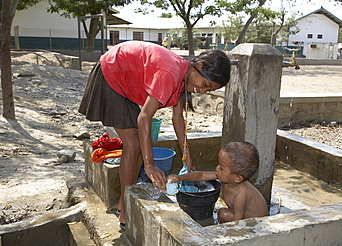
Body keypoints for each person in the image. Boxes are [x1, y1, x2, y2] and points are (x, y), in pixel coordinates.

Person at [78, 40, 231, 229]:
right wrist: (149, 165)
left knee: (142, 147)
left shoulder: (184, 78)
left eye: (209, 90)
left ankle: (123, 202)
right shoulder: (170, 73)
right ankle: (126, 213)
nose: (202, 91)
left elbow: (178, 119)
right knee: (133, 145)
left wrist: (187, 157)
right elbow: (144, 118)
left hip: (121, 79)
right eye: (205, 84)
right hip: (110, 73)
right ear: (198, 66)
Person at [168, 141, 268, 223]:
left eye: (221, 167)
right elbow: (201, 175)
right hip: (245, 217)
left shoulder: (241, 195)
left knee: (223, 214)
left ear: (237, 178)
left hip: (255, 225)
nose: (217, 168)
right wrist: (181, 178)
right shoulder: (229, 178)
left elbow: (239, 224)